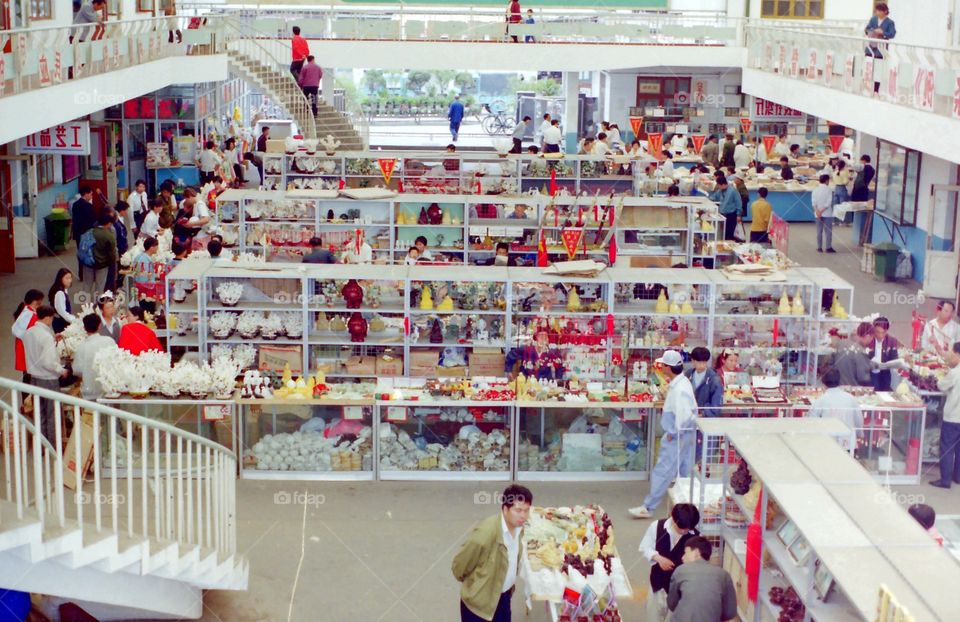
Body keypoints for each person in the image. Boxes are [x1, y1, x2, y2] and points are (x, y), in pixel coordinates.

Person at [629, 350, 697, 519]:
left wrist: (674, 433)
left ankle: (648, 506)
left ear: (668, 367)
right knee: (685, 472)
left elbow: (685, 414)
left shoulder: (679, 388)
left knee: (663, 470)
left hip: (678, 435)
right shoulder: (682, 383)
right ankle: (688, 507)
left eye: (663, 365)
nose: (662, 368)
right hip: (686, 435)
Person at [452, 484, 531, 622]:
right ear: (505, 509)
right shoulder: (485, 534)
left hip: (503, 597)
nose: (523, 515)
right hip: (479, 606)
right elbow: (459, 566)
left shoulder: (519, 529)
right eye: (518, 510)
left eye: (526, 510)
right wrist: (475, 586)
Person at [639, 503, 701, 622]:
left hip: (680, 590)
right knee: (653, 616)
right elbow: (645, 547)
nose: (683, 532)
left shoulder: (696, 537)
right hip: (657, 584)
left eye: (687, 529)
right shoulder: (657, 526)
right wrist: (658, 558)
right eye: (680, 528)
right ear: (673, 519)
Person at [666, 536, 738, 622]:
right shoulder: (723, 575)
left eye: (685, 553)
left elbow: (672, 604)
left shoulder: (680, 570)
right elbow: (730, 612)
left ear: (696, 552)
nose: (682, 557)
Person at [23, 306, 67, 441]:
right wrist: (62, 370)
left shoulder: (29, 332)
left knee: (39, 414)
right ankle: (52, 447)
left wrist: (53, 338)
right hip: (48, 380)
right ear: (48, 318)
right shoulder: (46, 336)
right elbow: (48, 362)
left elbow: (38, 348)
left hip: (34, 379)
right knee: (52, 416)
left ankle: (42, 445)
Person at [808, 368, 860, 451]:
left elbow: (811, 420)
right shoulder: (851, 398)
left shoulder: (821, 400)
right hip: (848, 441)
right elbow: (858, 420)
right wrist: (859, 434)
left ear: (823, 383)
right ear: (839, 381)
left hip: (828, 442)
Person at [931, 341, 960, 489]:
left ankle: (945, 480)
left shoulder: (955, 373)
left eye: (952, 353)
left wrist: (940, 378)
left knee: (947, 448)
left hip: (953, 417)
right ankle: (958, 477)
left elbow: (941, 386)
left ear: (956, 354)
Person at [71, 313, 117, 401]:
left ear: (84, 328)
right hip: (109, 392)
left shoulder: (81, 347)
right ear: (100, 326)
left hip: (90, 393)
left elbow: (77, 370)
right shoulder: (109, 341)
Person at [12, 289, 44, 381]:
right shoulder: (28, 314)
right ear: (35, 301)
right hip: (26, 347)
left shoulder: (28, 311)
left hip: (26, 345)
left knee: (28, 373)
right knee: (28, 374)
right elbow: (18, 331)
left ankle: (28, 394)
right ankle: (27, 395)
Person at [83, 216, 117, 298]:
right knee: (100, 285)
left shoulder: (89, 232)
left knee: (87, 284)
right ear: (108, 223)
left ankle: (84, 304)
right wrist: (112, 263)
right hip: (102, 264)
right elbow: (112, 253)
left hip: (88, 262)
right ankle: (97, 304)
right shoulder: (108, 235)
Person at [865, 2, 896, 92]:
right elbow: (866, 29)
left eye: (879, 10)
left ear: (885, 11)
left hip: (881, 48)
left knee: (878, 68)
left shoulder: (890, 22)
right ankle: (866, 87)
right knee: (868, 65)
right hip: (870, 46)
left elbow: (892, 34)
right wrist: (873, 31)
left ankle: (876, 90)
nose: (877, 12)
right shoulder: (873, 19)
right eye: (876, 10)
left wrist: (883, 33)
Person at [685, 347, 723, 419]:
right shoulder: (688, 374)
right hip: (688, 417)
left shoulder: (714, 379)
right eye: (699, 362)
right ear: (693, 361)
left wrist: (703, 413)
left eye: (704, 362)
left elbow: (716, 405)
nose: (702, 365)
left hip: (706, 419)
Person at [834, 322, 876, 387]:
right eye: (872, 338)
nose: (871, 341)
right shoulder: (860, 351)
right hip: (852, 390)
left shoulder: (840, 343)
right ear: (868, 336)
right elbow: (863, 378)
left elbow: (831, 362)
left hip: (837, 387)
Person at [72, 186, 96, 281]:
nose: (91, 196)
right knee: (90, 253)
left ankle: (81, 274)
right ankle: (89, 275)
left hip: (78, 233)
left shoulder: (75, 204)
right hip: (88, 233)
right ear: (86, 194)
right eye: (90, 194)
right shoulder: (89, 206)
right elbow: (93, 221)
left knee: (81, 253)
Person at [869, 316, 899, 391]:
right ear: (873, 329)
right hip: (870, 373)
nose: (880, 335)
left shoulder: (892, 341)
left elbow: (894, 358)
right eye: (877, 332)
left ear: (886, 331)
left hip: (885, 374)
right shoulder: (868, 339)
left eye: (883, 332)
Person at [710, 175, 741, 242]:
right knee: (723, 234)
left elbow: (739, 203)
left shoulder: (733, 191)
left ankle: (729, 248)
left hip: (731, 215)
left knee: (729, 234)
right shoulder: (720, 191)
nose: (718, 187)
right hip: (722, 215)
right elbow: (714, 197)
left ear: (723, 184)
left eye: (719, 185)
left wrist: (738, 215)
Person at [48, 269, 77, 334]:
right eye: (67, 278)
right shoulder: (60, 293)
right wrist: (74, 320)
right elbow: (62, 312)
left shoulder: (62, 289)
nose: (70, 280)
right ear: (60, 279)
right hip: (61, 323)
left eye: (70, 278)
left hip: (61, 321)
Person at [812, 173, 835, 253]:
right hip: (827, 213)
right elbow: (829, 203)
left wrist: (817, 211)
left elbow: (813, 202)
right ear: (826, 181)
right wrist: (822, 211)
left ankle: (819, 247)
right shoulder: (829, 190)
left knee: (819, 231)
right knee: (828, 231)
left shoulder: (815, 189)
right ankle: (828, 247)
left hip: (817, 213)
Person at [109, 202, 129, 291]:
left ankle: (119, 284)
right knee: (120, 266)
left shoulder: (120, 218)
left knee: (122, 266)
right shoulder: (115, 220)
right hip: (119, 246)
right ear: (121, 210)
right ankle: (118, 285)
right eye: (126, 210)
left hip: (122, 245)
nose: (127, 213)